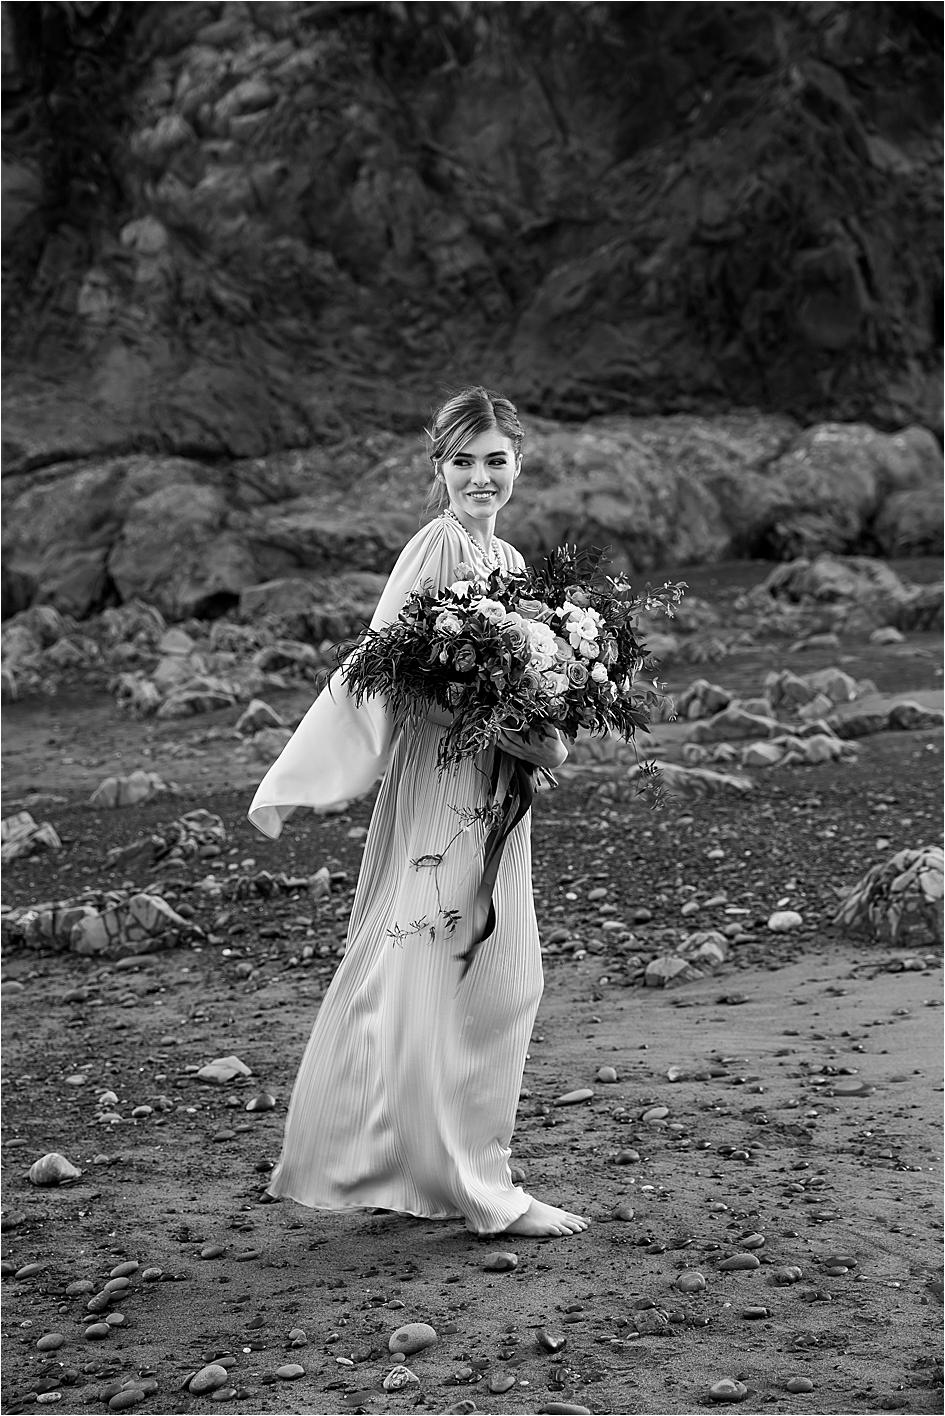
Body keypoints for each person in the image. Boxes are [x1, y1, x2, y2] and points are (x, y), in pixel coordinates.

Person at [248, 386, 589, 1238]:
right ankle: (472, 1187)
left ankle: (431, 1164)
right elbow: (391, 673)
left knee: (497, 978)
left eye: (496, 461)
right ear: (438, 468)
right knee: (434, 968)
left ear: (519, 463)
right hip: (445, 784)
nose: (481, 477)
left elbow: (505, 676)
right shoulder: (436, 546)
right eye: (464, 461)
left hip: (494, 788)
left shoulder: (508, 563)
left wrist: (549, 730)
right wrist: (515, 731)